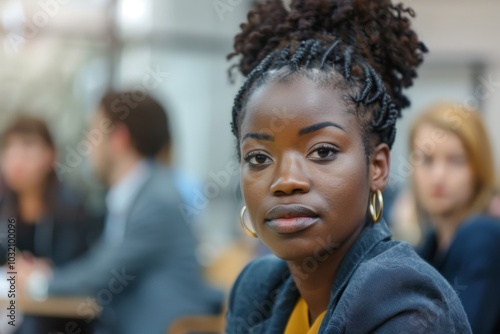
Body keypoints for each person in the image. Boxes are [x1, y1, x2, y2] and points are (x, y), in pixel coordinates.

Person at [224, 0, 471, 333]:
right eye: (258, 158)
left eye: (322, 151)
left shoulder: (406, 307)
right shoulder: (257, 288)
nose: (285, 181)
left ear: (378, 168)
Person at [21, 91, 223, 334]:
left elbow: (103, 273)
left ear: (118, 138)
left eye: (93, 133)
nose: (87, 145)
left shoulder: (156, 201)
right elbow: (102, 265)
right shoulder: (134, 195)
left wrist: (38, 282)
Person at [0, 116, 99, 334]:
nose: (17, 159)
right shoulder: (4, 207)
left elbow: (86, 270)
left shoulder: (72, 208)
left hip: (60, 316)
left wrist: (44, 273)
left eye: (28, 147)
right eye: (9, 148)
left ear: (50, 156)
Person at [409, 102, 500, 333]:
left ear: (478, 168)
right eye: (427, 160)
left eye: (455, 160)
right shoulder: (428, 247)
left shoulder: (482, 236)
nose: (438, 176)